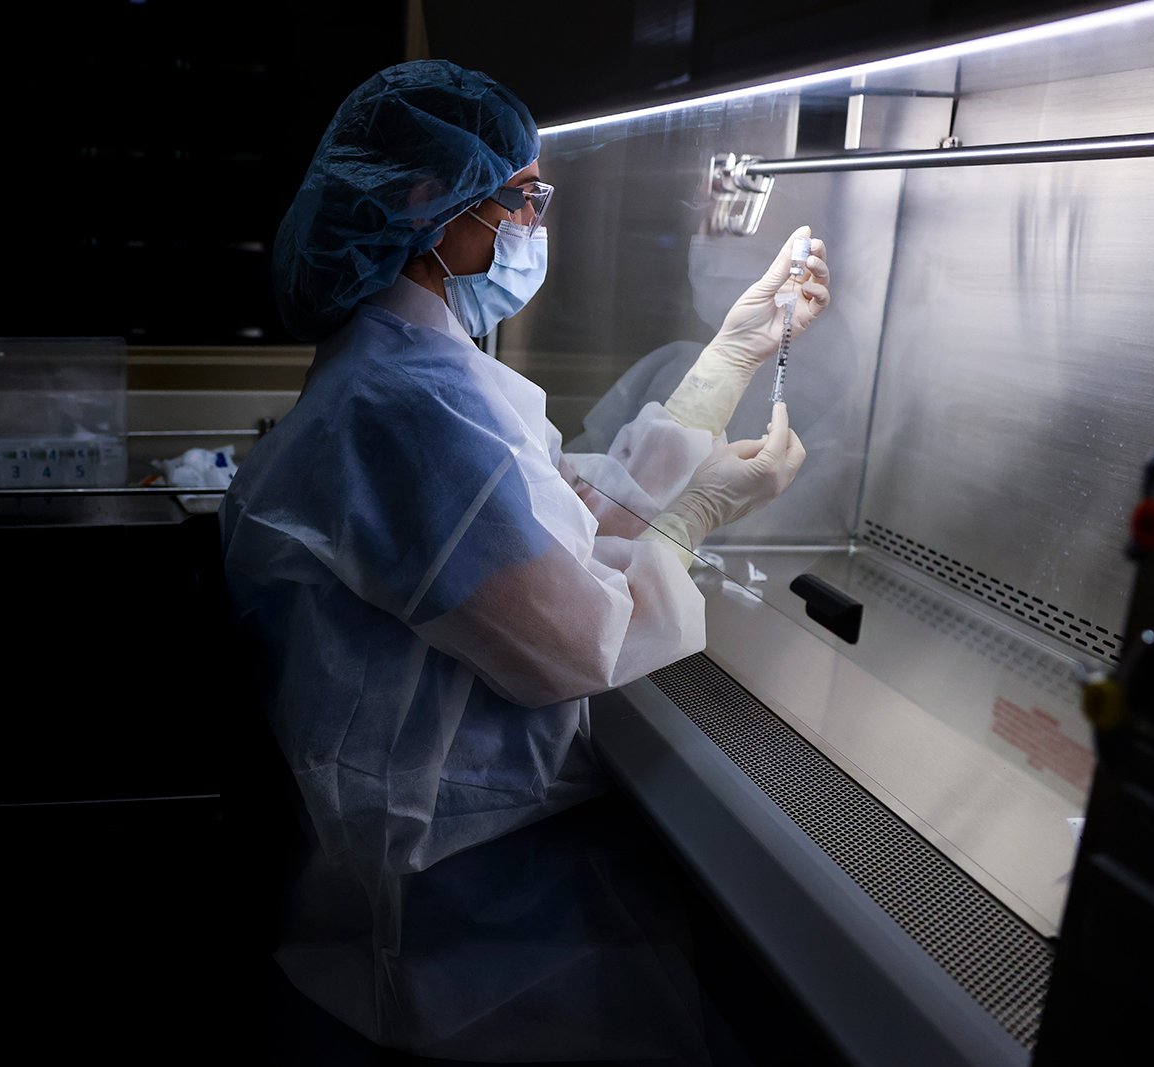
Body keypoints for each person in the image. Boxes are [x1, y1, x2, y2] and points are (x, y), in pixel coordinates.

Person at [221, 60, 830, 1060]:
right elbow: (575, 643)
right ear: (430, 204)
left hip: (444, 874)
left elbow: (554, 527)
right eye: (524, 199)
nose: (533, 223)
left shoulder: (415, 372)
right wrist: (692, 520)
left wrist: (729, 356)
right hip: (454, 926)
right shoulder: (408, 409)